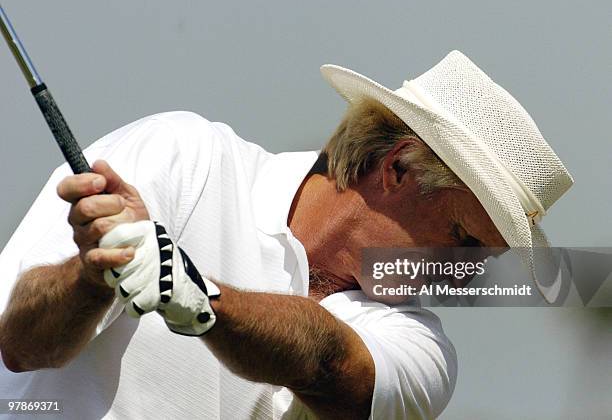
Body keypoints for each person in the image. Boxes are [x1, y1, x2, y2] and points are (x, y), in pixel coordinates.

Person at [0, 50, 572, 419]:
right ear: (397, 168)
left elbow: (327, 363)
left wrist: (193, 291)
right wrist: (93, 275)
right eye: (464, 240)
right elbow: (21, 348)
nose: (465, 274)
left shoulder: (424, 349)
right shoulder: (186, 156)